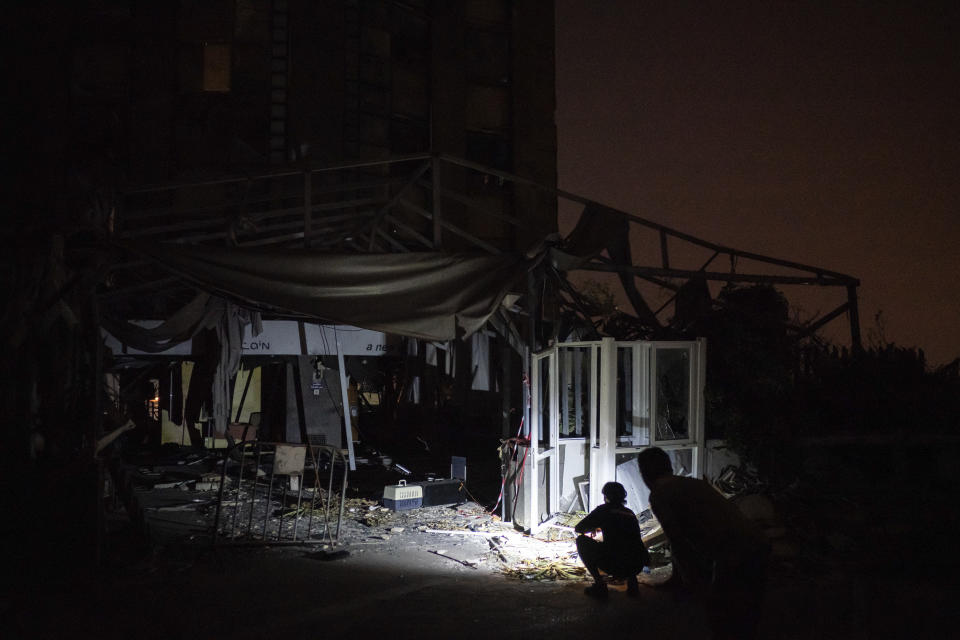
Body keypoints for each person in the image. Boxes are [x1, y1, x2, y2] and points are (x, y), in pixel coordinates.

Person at [637, 447, 770, 639]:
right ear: (669, 467)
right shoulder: (694, 484)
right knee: (746, 613)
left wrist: (689, 581)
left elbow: (678, 540)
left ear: (644, 474)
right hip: (757, 543)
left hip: (736, 552)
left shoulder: (660, 493)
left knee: (721, 613)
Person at [574, 481, 650, 599]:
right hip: (636, 564)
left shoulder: (603, 510)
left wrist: (594, 527)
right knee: (626, 547)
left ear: (606, 496)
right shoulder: (629, 513)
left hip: (614, 564)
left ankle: (600, 585)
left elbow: (579, 528)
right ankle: (632, 580)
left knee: (581, 541)